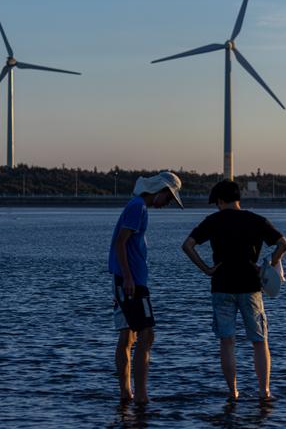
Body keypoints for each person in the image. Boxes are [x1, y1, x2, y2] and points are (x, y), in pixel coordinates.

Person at [181, 180, 286, 400]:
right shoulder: (256, 220)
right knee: (259, 341)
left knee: (227, 341)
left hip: (221, 286)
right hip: (251, 286)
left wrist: (206, 269)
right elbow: (284, 244)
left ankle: (233, 392)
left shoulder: (212, 221)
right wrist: (269, 265)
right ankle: (264, 391)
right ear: (238, 198)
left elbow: (187, 245)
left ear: (220, 201)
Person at [108, 171, 183, 403]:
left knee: (128, 336)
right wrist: (129, 278)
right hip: (131, 282)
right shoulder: (138, 206)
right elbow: (121, 241)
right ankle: (140, 396)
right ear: (159, 191)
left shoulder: (137, 206)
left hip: (125, 281)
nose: (167, 204)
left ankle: (127, 394)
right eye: (169, 198)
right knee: (147, 334)